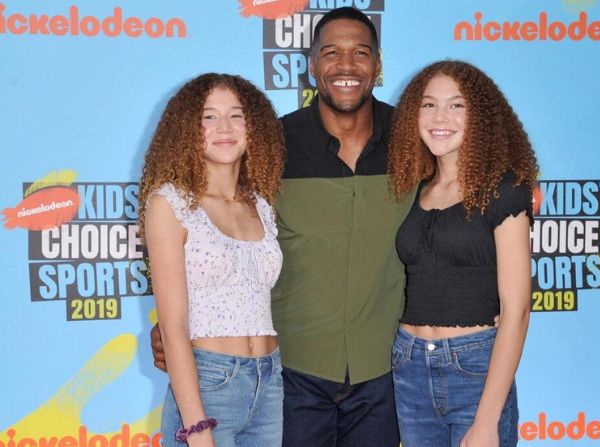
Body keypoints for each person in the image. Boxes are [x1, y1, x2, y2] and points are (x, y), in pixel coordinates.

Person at [151, 7, 411, 446]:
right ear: (311, 66)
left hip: (381, 376)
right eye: (330, 52)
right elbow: (211, 242)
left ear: (378, 64)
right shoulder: (273, 146)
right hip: (291, 378)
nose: (345, 66)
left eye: (360, 53)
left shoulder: (413, 141)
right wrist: (177, 333)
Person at [386, 60, 538, 447]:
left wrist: (487, 421)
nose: (441, 117)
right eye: (428, 105)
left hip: (475, 367)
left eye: (457, 106)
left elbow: (517, 311)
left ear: (481, 118)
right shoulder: (414, 190)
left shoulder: (503, 189)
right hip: (409, 364)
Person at [139, 73, 285, 446]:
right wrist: (197, 430)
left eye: (236, 115)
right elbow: (173, 328)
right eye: (209, 116)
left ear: (253, 127)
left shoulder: (261, 204)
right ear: (188, 129)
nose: (224, 127)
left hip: (269, 381)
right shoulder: (170, 204)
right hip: (208, 380)